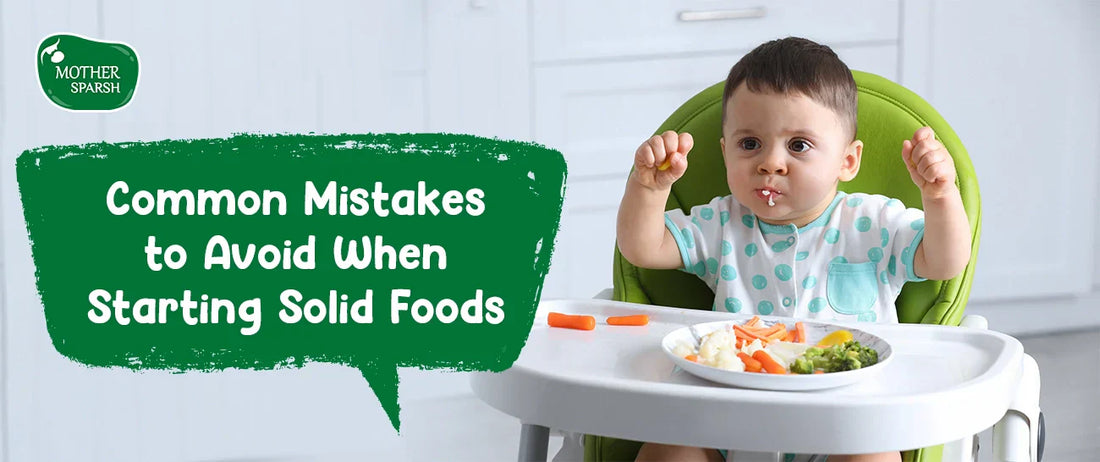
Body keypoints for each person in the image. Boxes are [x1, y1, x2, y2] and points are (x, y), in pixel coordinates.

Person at [615, 37, 972, 462]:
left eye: (799, 145)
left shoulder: (873, 224)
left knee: (872, 458)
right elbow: (643, 248)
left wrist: (939, 196)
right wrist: (649, 188)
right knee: (670, 452)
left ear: (847, 161)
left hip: (847, 426)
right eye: (750, 144)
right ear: (725, 151)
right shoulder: (722, 224)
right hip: (728, 426)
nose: (771, 163)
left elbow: (945, 261)